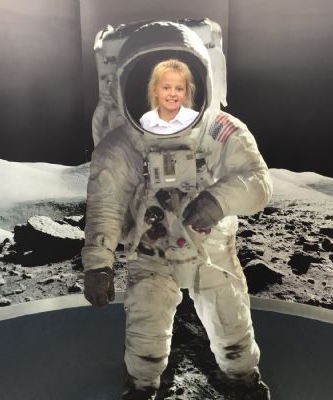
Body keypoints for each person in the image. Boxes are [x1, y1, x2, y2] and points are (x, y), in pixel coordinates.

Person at [82, 21, 272, 400]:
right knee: (146, 331)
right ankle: (141, 386)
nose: (172, 95)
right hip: (151, 253)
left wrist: (217, 201)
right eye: (164, 87)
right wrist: (98, 264)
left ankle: (243, 381)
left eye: (180, 87)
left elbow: (257, 183)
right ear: (150, 89)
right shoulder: (124, 143)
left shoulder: (217, 130)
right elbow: (106, 204)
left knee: (231, 325)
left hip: (209, 250)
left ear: (194, 87)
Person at [139, 59, 198, 134]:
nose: (173, 94)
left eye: (179, 89)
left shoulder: (195, 119)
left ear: (186, 93)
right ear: (154, 91)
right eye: (166, 88)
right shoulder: (146, 120)